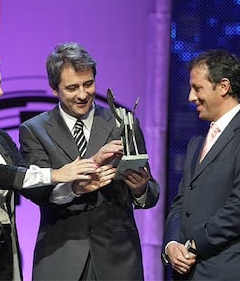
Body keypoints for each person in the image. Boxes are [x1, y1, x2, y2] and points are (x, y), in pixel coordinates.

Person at [0, 51, 115, 280]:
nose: (0, 91)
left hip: (1, 244)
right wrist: (56, 174)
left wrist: (76, 187)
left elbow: (30, 185)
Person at [19, 42, 160, 280]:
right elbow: (36, 190)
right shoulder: (34, 130)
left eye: (89, 84)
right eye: (72, 88)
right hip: (60, 257)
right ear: (54, 89)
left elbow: (151, 192)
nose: (83, 94)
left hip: (118, 259)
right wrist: (75, 186)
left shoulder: (122, 122)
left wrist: (140, 189)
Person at [162, 49, 240, 280]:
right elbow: (181, 202)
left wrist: (193, 245)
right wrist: (172, 244)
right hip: (188, 272)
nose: (191, 97)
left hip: (230, 270)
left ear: (223, 87)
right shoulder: (196, 143)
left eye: (197, 88)